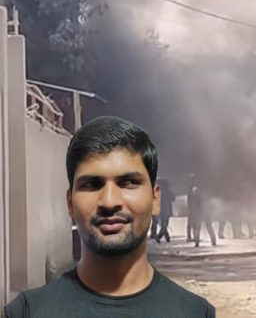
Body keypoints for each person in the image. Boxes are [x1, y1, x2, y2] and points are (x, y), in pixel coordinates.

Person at [3, 116, 215, 317]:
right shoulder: (26, 312)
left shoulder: (195, 313)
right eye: (91, 185)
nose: (109, 201)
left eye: (128, 183)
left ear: (155, 199)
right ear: (70, 203)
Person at [156, 179, 175, 243]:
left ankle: (166, 237)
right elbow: (173, 198)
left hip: (161, 210)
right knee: (165, 225)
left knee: (164, 225)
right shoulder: (168, 192)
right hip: (167, 211)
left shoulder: (159, 191)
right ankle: (159, 236)